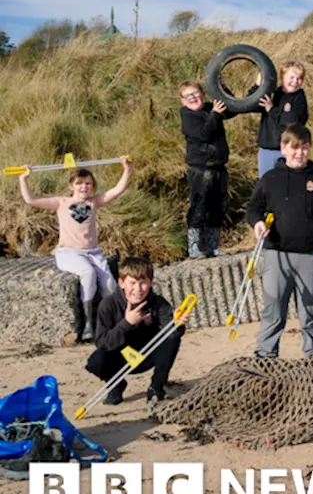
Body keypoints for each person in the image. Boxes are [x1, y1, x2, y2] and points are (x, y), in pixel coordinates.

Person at [245, 124, 313, 358]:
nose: (300, 153)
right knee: (273, 308)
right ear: (283, 148)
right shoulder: (270, 178)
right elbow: (253, 207)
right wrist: (257, 222)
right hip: (277, 254)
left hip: (312, 254)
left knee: (310, 310)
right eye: (295, 147)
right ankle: (266, 355)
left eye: (305, 148)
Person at [18, 159, 132, 342]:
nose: (84, 187)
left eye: (88, 183)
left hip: (93, 252)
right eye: (79, 183)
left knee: (110, 283)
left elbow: (117, 190)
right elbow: (30, 200)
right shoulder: (61, 202)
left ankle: (109, 321)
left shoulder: (94, 202)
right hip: (69, 252)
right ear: (71, 185)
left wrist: (127, 169)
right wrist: (23, 178)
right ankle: (88, 322)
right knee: (87, 274)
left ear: (92, 186)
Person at [84, 256, 190, 407]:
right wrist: (127, 323)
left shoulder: (159, 303)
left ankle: (156, 387)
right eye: (132, 283)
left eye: (143, 282)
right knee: (95, 361)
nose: (138, 289)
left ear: (151, 282)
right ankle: (116, 385)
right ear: (121, 283)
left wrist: (177, 324)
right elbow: (102, 342)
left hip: (147, 355)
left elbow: (172, 335)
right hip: (122, 357)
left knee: (172, 340)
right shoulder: (108, 305)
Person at [179, 79, 235, 258]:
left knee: (218, 206)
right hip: (200, 168)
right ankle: (194, 247)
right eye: (189, 96)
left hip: (219, 166)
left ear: (203, 94)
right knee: (199, 206)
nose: (194, 98)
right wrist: (215, 115)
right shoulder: (187, 115)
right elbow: (204, 134)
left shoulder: (211, 108)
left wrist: (224, 91)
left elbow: (232, 110)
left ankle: (212, 245)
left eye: (197, 93)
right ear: (183, 100)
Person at [254, 60, 308, 178]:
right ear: (282, 77)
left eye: (299, 78)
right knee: (267, 183)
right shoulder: (273, 94)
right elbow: (253, 104)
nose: (295, 81)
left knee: (288, 184)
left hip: (289, 150)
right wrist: (257, 86)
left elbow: (291, 122)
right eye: (292, 77)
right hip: (267, 149)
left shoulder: (299, 99)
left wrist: (271, 109)